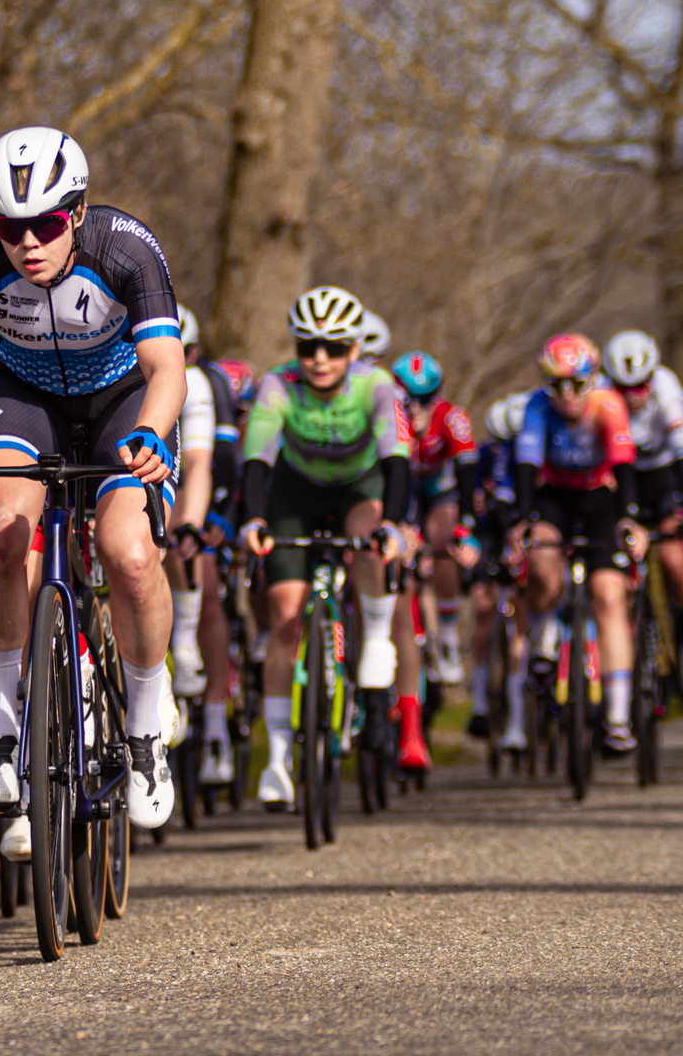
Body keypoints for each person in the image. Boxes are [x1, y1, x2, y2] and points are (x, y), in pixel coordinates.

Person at [0, 127, 186, 847]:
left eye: (45, 224)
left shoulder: (126, 247)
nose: (28, 243)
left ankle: (143, 737)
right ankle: (4, 744)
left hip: (122, 400)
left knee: (129, 550)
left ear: (77, 212)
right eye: (9, 226)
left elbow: (167, 367)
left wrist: (155, 435)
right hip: (21, 395)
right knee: (2, 527)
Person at [238, 288, 411, 808]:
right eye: (308, 346)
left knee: (371, 536)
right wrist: (254, 519)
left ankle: (377, 640)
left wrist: (395, 527)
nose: (318, 359)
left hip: (360, 487)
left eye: (333, 349)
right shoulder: (279, 383)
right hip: (296, 490)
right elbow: (257, 460)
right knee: (286, 618)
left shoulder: (376, 385)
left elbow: (397, 460)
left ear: (354, 351)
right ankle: (277, 762)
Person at [510, 333, 645, 758]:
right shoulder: (535, 408)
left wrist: (630, 517)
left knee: (609, 596)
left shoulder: (609, 404)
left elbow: (624, 466)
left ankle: (618, 718)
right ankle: (546, 631)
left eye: (576, 384)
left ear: (593, 379)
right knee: (542, 562)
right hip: (555, 496)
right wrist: (524, 520)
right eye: (556, 386)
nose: (566, 395)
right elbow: (527, 465)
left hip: (600, 496)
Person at [603, 329, 683, 706]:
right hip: (620, 476)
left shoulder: (667, 389)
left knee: (675, 558)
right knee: (616, 567)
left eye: (641, 385)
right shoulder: (600, 396)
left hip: (662, 477)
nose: (634, 395)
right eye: (624, 387)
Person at [167, 307, 241, 788]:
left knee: (206, 583)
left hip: (202, 489)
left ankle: (215, 726)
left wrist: (216, 521)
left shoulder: (207, 385)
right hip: (144, 479)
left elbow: (223, 464)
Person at [393, 350, 480, 697]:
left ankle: (446, 634)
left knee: (445, 538)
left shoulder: (452, 417)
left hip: (441, 491)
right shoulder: (387, 417)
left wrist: (466, 527)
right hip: (404, 490)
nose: (415, 408)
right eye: (407, 400)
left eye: (425, 399)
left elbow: (467, 470)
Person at [468, 393, 527, 737]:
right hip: (490, 536)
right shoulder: (484, 459)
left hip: (522, 534)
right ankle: (478, 701)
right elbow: (473, 506)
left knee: (521, 620)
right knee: (484, 608)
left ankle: (518, 721)